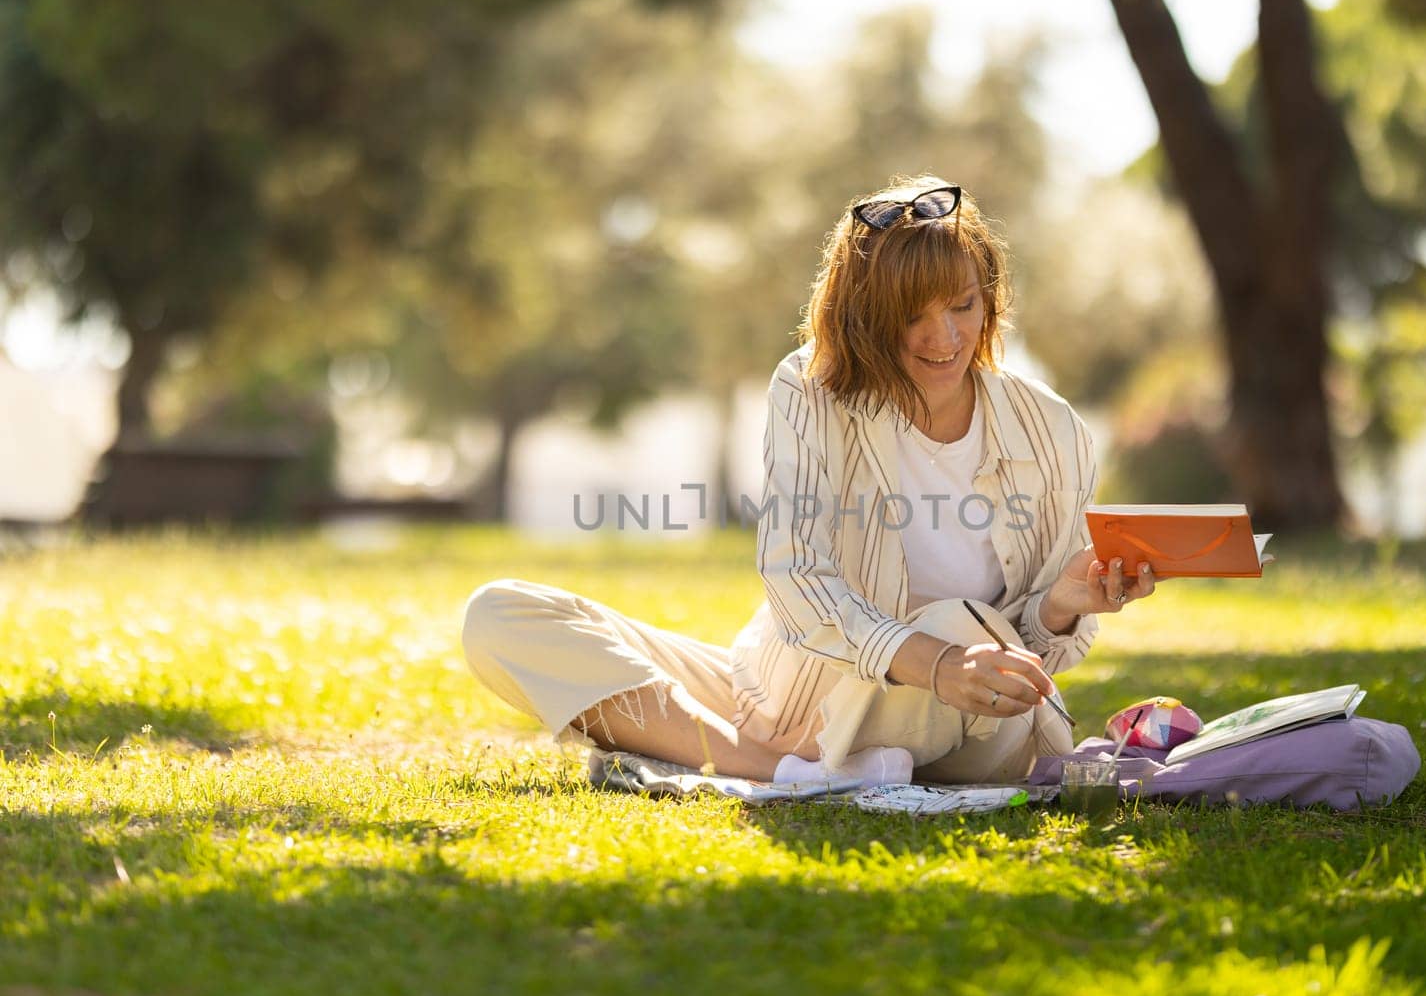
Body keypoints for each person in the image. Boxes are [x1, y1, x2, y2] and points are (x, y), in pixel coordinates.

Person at [461, 176, 1157, 787]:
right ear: (864, 319)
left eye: (962, 305)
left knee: (956, 625)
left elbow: (1026, 659)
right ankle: (792, 773)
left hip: (964, 733)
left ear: (990, 299)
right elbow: (796, 577)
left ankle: (769, 764)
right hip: (788, 697)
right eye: (910, 314)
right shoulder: (811, 386)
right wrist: (933, 662)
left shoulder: (1051, 428)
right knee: (499, 614)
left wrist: (1063, 603)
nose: (942, 336)